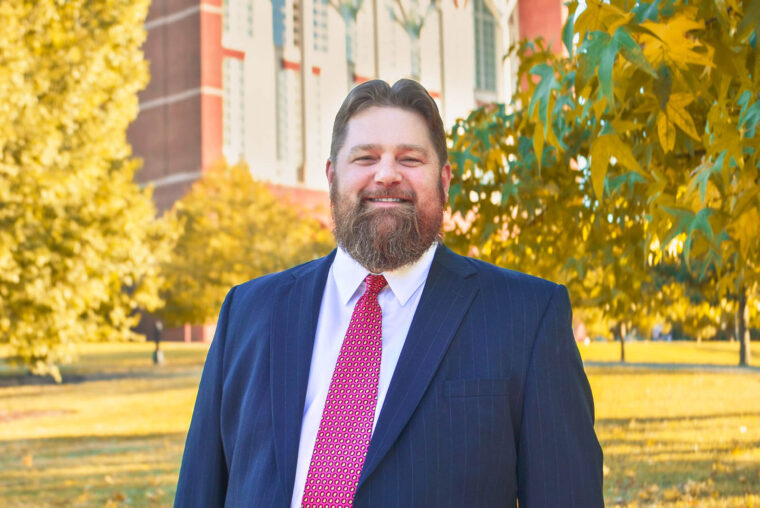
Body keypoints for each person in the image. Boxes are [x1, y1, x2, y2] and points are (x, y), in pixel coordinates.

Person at [175, 79, 604, 507]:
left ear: (445, 179)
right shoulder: (248, 312)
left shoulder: (527, 316)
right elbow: (200, 491)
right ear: (331, 176)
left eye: (409, 158)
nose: (386, 174)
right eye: (365, 157)